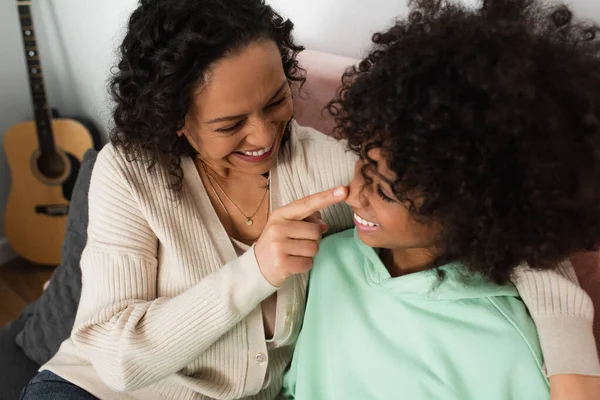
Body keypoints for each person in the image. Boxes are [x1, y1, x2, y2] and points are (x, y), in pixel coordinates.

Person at [19, 0, 599, 399]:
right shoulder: (130, 172)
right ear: (175, 124)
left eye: (275, 101)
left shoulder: (334, 165)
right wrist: (256, 271)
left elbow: (489, 207)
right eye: (230, 125)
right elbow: (112, 360)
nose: (266, 136)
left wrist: (574, 366)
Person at [282, 0, 600, 399]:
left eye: (384, 192)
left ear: (470, 214)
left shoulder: (503, 344)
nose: (356, 197)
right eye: (364, 162)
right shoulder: (327, 262)